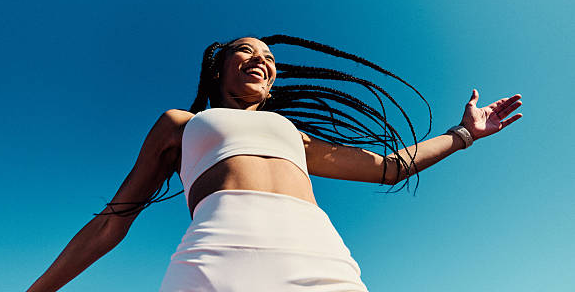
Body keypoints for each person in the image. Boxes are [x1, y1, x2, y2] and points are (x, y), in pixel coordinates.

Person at [27, 35, 523, 292]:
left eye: (268, 57)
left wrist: (463, 136)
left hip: (320, 260)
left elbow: (387, 166)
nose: (261, 60)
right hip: (213, 262)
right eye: (246, 51)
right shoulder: (180, 123)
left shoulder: (292, 133)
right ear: (219, 68)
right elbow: (114, 221)